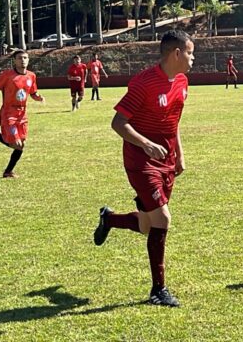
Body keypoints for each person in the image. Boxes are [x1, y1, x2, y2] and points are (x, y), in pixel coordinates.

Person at [93, 30, 194, 307]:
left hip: (166, 160)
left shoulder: (183, 82)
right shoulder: (144, 83)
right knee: (163, 220)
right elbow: (118, 123)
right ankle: (158, 291)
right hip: (141, 162)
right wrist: (147, 144)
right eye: (190, 52)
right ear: (176, 53)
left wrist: (180, 156)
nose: (192, 58)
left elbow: (174, 124)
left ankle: (110, 219)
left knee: (149, 226)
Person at [0, 50, 45, 178]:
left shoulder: (31, 76)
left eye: (25, 58)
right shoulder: (7, 75)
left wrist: (38, 97)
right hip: (9, 113)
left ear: (28, 60)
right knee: (17, 144)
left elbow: (33, 93)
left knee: (21, 146)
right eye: (19, 58)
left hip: (22, 115)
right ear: (14, 60)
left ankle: (8, 171)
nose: (23, 60)